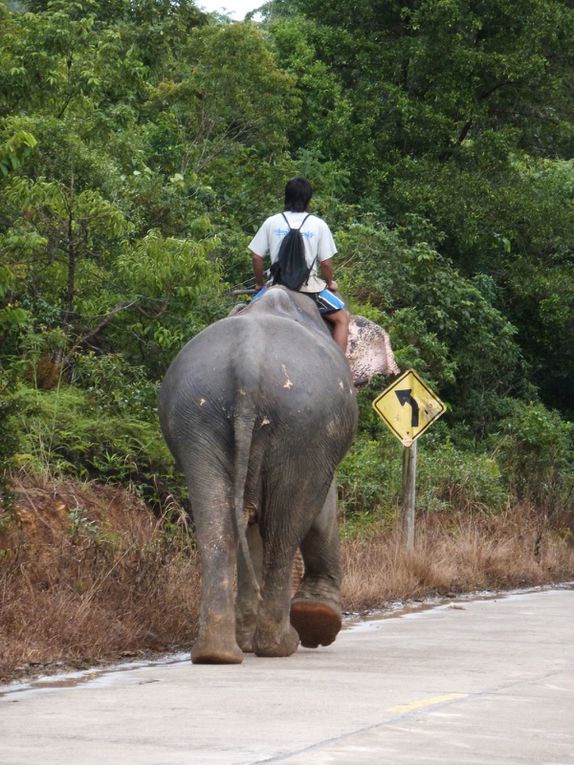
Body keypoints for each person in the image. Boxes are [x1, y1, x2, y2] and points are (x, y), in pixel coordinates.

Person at [248, 176, 350, 354]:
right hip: (308, 289)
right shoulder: (318, 225)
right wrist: (330, 282)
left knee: (244, 313)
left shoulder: (271, 222)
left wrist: (259, 284)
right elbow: (326, 263)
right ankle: (342, 367)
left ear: (286, 197)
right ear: (308, 199)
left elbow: (256, 257)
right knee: (343, 318)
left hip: (276, 285)